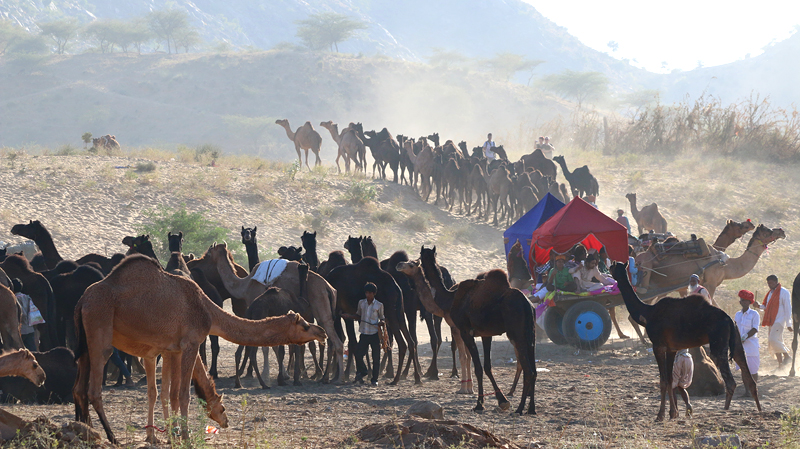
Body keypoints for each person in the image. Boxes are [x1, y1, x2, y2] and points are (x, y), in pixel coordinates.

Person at [343, 282, 385, 386]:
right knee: (358, 354)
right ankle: (364, 371)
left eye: (370, 293)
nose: (368, 295)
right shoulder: (361, 303)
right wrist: (349, 316)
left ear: (374, 293)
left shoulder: (379, 305)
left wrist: (382, 323)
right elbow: (358, 316)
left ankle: (374, 380)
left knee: (376, 358)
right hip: (364, 333)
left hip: (374, 334)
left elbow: (382, 318)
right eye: (366, 293)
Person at [760, 274, 792, 366]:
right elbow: (766, 307)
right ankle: (780, 365)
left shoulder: (784, 292)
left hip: (780, 321)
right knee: (776, 342)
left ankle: (787, 356)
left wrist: (789, 324)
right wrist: (758, 306)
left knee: (773, 340)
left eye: (771, 283)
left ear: (776, 282)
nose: (769, 285)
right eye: (768, 283)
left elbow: (788, 308)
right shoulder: (770, 293)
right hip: (771, 321)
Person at [735, 289, 760, 382]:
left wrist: (744, 337)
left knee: (753, 370)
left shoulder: (754, 314)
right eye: (742, 300)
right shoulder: (737, 314)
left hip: (751, 345)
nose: (743, 302)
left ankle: (753, 389)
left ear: (749, 302)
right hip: (740, 346)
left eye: (745, 300)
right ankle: (746, 391)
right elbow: (735, 328)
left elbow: (755, 329)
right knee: (743, 370)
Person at [11, 278, 38, 351]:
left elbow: (20, 313)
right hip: (29, 328)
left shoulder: (13, 299)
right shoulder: (27, 297)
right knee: (32, 350)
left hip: (20, 331)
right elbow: (33, 312)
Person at [672, 348, 694, 416]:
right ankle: (688, 404)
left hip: (679, 358)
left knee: (672, 387)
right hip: (688, 358)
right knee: (681, 386)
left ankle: (675, 409)